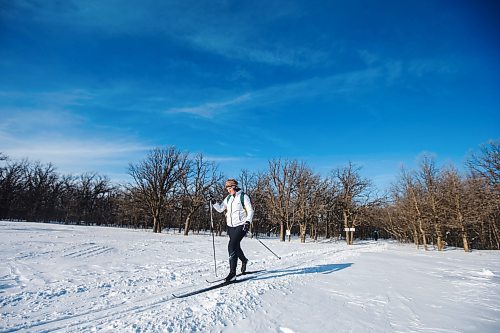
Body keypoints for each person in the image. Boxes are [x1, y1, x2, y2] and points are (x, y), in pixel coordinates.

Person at [213, 179, 254, 282]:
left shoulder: (243, 197)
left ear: (235, 187)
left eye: (230, 188)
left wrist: (247, 222)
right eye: (227, 188)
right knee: (236, 246)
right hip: (230, 226)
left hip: (242, 225)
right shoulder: (228, 198)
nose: (228, 190)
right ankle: (244, 260)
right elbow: (221, 209)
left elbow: (250, 210)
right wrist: (214, 203)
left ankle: (232, 274)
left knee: (231, 246)